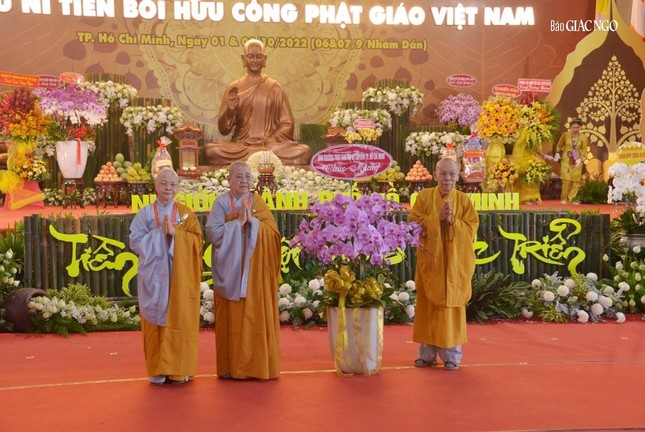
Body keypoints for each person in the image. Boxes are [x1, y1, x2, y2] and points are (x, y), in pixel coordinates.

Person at [205, 161, 282, 380]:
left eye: (248, 177)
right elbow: (212, 234)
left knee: (256, 316)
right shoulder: (221, 203)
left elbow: (273, 234)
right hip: (231, 271)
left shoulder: (257, 202)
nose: (244, 181)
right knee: (232, 320)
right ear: (229, 180)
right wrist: (238, 222)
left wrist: (253, 223)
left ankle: (257, 367)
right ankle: (231, 367)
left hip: (255, 273)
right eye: (239, 177)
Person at [129, 169, 203, 385]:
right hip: (153, 275)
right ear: (155, 186)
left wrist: (175, 234)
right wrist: (159, 233)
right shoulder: (145, 214)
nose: (168, 188)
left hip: (179, 275)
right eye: (164, 183)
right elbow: (135, 241)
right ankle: (158, 369)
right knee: (154, 321)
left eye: (172, 184)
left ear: (178, 187)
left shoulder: (186, 214)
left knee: (179, 317)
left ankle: (179, 369)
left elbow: (198, 242)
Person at [409, 157, 480, 370]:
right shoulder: (423, 197)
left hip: (455, 265)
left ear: (458, 176)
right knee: (428, 307)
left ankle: (452, 356)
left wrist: (452, 221)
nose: (447, 178)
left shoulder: (464, 201)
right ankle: (427, 354)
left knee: (451, 309)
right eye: (443, 173)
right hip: (432, 263)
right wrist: (436, 218)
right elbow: (413, 224)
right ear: (435, 175)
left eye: (451, 174)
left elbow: (471, 229)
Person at [204, 39, 311, 166]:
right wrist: (230, 110)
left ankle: (258, 157)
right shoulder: (234, 87)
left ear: (264, 59)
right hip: (242, 145)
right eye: (250, 56)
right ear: (243, 59)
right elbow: (224, 130)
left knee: (303, 151)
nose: (255, 60)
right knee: (211, 150)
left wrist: (270, 139)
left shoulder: (275, 87)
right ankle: (262, 158)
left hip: (269, 146)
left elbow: (287, 124)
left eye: (259, 57)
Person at [553, 118, 589, 204]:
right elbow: (559, 145)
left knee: (576, 180)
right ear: (570, 127)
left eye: (577, 127)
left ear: (580, 127)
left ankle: (572, 198)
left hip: (576, 158)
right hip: (566, 158)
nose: (575, 129)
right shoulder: (565, 135)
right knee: (567, 179)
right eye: (573, 127)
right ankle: (564, 198)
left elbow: (584, 150)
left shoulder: (583, 137)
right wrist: (557, 153)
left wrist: (580, 159)